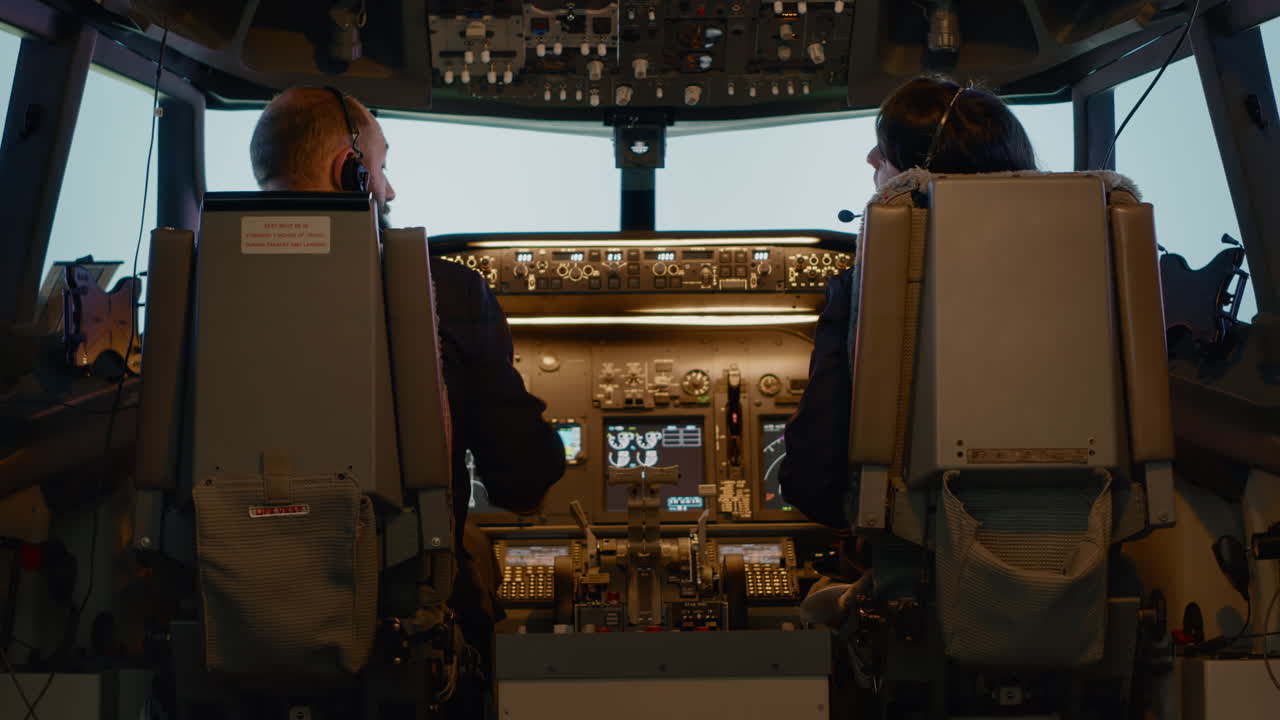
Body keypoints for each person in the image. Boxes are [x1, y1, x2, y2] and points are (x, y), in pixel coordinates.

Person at [249, 86, 566, 713]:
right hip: (401, 637)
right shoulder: (442, 293)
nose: (389, 190)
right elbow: (521, 481)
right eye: (383, 167)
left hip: (240, 624)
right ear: (351, 171)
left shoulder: (198, 291)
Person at [780, 76, 1037, 529]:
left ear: (915, 174)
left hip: (913, 543)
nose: (871, 158)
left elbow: (813, 483)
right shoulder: (1085, 261)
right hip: (1078, 527)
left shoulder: (875, 283)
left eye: (886, 149)